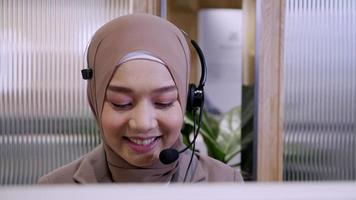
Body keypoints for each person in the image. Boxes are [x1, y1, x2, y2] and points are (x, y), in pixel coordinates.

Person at [38, 13, 243, 183]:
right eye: (122, 103)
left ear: (187, 100)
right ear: (95, 100)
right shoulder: (54, 189)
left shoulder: (226, 183)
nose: (143, 124)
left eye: (163, 102)